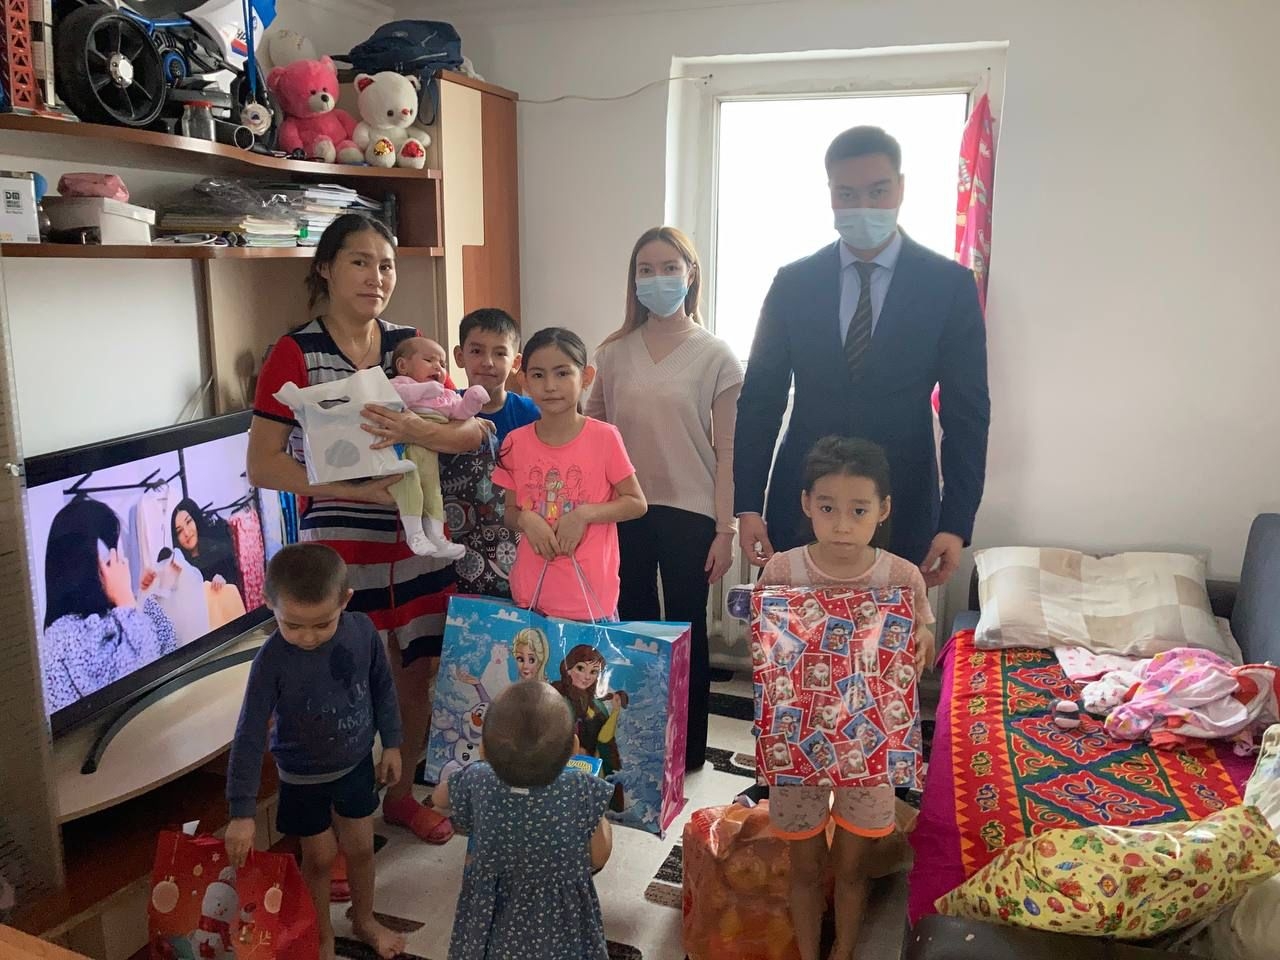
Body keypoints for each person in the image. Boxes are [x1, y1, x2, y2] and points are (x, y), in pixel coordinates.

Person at [247, 213, 486, 848]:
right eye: (359, 262)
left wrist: (414, 430)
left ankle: (401, 799)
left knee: (414, 673)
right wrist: (351, 490)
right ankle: (339, 818)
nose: (375, 277)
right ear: (326, 268)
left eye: (386, 265)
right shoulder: (295, 352)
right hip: (340, 549)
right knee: (339, 684)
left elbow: (468, 429)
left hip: (416, 541)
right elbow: (263, 464)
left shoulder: (410, 344)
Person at [735, 126, 990, 587]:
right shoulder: (794, 283)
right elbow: (760, 400)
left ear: (901, 188)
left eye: (878, 191)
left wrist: (956, 522)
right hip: (804, 501)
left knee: (893, 632)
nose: (864, 206)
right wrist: (748, 504)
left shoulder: (948, 286)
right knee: (794, 628)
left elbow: (966, 413)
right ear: (830, 194)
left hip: (902, 500)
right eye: (847, 194)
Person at [757, 436, 935, 960]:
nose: (841, 524)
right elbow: (766, 650)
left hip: (869, 748)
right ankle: (809, 951)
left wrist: (923, 638)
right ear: (806, 504)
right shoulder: (783, 571)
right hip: (796, 745)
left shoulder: (901, 577)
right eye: (828, 507)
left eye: (858, 510)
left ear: (883, 510)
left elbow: (920, 632)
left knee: (854, 867)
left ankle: (844, 951)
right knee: (804, 865)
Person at [585, 226, 743, 772]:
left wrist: (726, 530)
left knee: (685, 628)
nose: (658, 278)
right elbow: (592, 432)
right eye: (646, 269)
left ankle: (687, 750)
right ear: (633, 280)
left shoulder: (716, 356)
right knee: (631, 626)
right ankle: (634, 740)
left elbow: (728, 451)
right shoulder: (612, 353)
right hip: (625, 509)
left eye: (669, 267)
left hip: (691, 513)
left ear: (690, 274)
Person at [223, 544, 405, 960]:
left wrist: (393, 744)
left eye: (322, 624)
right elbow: (249, 732)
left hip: (356, 764)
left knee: (361, 847)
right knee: (319, 857)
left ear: (345, 600)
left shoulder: (362, 632)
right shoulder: (270, 661)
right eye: (292, 625)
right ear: (269, 604)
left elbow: (382, 687)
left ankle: (364, 920)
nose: (308, 637)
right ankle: (322, 937)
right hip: (302, 778)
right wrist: (242, 812)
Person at [432, 681, 614, 960]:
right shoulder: (581, 788)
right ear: (574, 749)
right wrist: (602, 823)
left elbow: (439, 798)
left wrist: (466, 774)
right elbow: (599, 856)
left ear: (484, 749)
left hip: (492, 915)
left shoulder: (478, 779)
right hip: (560, 922)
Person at [492, 327, 647, 621]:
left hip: (590, 596)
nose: (550, 385)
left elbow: (636, 503)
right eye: (538, 375)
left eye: (562, 373)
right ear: (524, 381)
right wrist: (526, 519)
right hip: (531, 594)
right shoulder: (515, 442)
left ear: (586, 377)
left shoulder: (604, 437)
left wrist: (583, 515)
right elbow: (510, 513)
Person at [40, 498, 177, 712]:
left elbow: (170, 651)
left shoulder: (116, 614)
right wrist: (126, 600)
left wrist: (139, 598)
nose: (123, 564)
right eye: (113, 557)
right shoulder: (65, 638)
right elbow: (146, 682)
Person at [442, 308, 541, 600]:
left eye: (500, 353)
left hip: (520, 543)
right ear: (459, 356)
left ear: (516, 362)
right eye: (476, 351)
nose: (487, 362)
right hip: (453, 544)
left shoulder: (532, 414)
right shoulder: (443, 410)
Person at [388, 336, 489, 559]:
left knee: (433, 493)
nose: (438, 367)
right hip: (404, 452)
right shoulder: (400, 384)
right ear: (403, 366)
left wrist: (473, 399)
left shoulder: (444, 393)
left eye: (442, 364)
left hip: (429, 455)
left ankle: (437, 537)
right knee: (411, 487)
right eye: (429, 360)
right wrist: (424, 390)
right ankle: (415, 534)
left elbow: (461, 413)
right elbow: (393, 398)